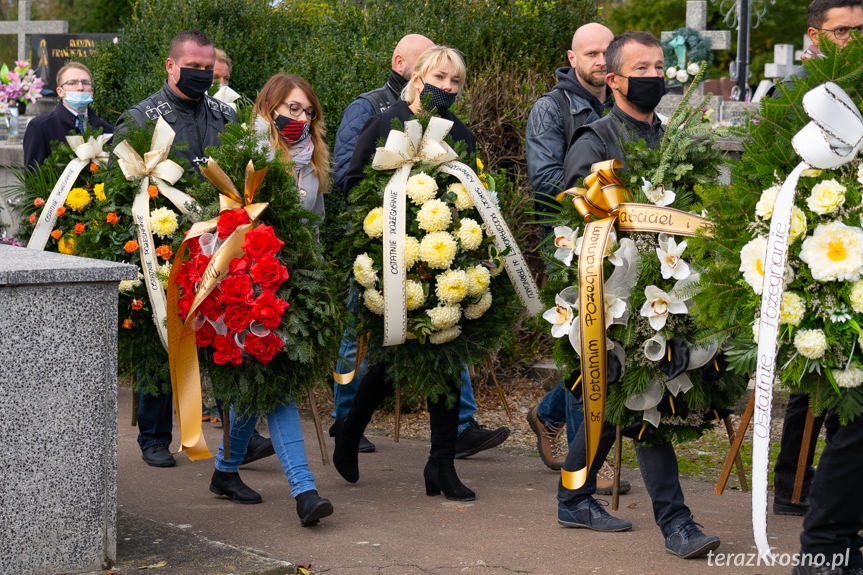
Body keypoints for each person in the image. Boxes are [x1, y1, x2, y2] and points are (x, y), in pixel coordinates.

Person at [558, 31, 720, 560]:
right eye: (642, 69)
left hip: (669, 292)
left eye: (659, 67)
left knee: (619, 402)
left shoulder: (669, 138)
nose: (655, 77)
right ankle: (676, 523)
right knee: (646, 403)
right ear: (614, 79)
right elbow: (581, 218)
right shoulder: (595, 139)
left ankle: (573, 495)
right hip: (612, 295)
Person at [331, 34, 510, 458]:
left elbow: (474, 191)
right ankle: (351, 430)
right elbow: (353, 181)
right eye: (439, 77)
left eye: (455, 81)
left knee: (446, 350)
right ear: (417, 76)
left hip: (445, 256)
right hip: (392, 254)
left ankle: (441, 466)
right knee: (392, 355)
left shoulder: (459, 131)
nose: (447, 87)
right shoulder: (384, 122)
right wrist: (394, 210)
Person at [115, 29, 246, 468]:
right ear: (171, 66)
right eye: (192, 68)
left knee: (227, 331)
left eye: (207, 69)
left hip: (218, 240)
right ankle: (154, 436)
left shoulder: (224, 115)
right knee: (162, 336)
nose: (201, 75)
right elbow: (119, 186)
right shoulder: (141, 117)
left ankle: (236, 431)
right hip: (163, 241)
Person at [208, 73, 334, 527]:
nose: (299, 118)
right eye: (291, 109)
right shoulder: (251, 157)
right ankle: (305, 491)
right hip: (250, 285)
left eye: (307, 111)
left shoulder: (312, 162)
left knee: (264, 383)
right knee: (275, 385)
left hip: (294, 286)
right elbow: (226, 222)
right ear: (269, 107)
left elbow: (314, 227)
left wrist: (315, 284)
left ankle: (225, 471)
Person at [524, 23, 629, 496]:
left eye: (608, 52)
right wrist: (603, 193)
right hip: (570, 242)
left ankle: (546, 412)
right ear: (572, 57)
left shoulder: (623, 104)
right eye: (591, 53)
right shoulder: (552, 108)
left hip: (621, 241)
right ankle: (584, 459)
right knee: (582, 346)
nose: (601, 60)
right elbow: (545, 180)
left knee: (607, 348)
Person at [772, 0, 863, 521]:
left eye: (861, 30)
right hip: (809, 244)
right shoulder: (793, 97)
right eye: (843, 30)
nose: (853, 38)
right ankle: (796, 486)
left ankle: (818, 485)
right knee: (817, 369)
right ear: (816, 35)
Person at [23, 62, 113, 168]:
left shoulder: (106, 130)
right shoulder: (40, 127)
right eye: (72, 83)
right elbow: (33, 176)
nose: (80, 87)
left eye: (85, 83)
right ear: (60, 91)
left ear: (92, 92)